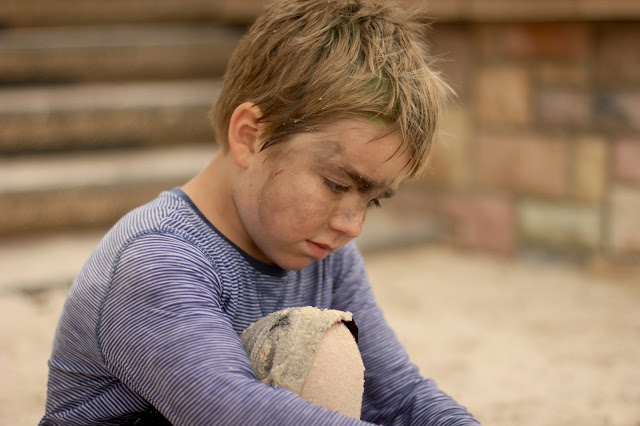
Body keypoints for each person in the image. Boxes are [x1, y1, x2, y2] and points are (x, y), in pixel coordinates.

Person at [40, 0, 480, 424]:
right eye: (336, 184)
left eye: (374, 200)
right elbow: (232, 410)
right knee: (324, 356)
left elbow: (397, 396)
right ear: (249, 137)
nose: (352, 226)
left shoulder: (328, 257)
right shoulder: (156, 259)